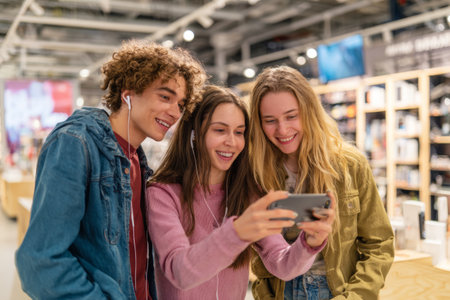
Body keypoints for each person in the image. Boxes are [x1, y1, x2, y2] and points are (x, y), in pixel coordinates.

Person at [15, 39, 206, 300]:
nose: (175, 112)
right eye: (165, 96)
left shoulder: (137, 162)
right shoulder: (76, 143)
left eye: (181, 104)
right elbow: (40, 262)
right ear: (128, 94)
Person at [146, 85, 336, 300]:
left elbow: (282, 265)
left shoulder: (246, 192)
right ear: (194, 133)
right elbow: (180, 272)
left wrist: (308, 243)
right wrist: (237, 232)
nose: (232, 142)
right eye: (219, 130)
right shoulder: (162, 194)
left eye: (239, 132)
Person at [248, 65, 395, 300]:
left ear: (309, 111)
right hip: (281, 292)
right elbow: (261, 251)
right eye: (270, 120)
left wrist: (356, 296)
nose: (282, 129)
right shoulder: (256, 172)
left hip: (337, 291)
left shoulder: (349, 164)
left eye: (291, 116)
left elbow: (379, 244)